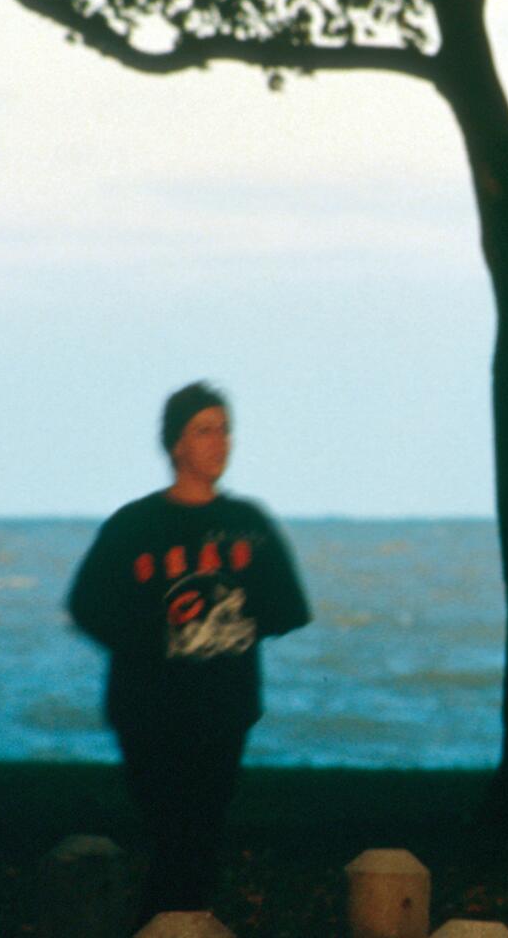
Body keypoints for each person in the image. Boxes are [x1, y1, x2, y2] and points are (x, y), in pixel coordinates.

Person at [67, 381, 310, 920]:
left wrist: (232, 624)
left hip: (224, 706)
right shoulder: (135, 527)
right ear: (176, 443)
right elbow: (87, 604)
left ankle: (175, 921)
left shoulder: (250, 525)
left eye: (225, 430)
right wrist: (145, 642)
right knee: (171, 831)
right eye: (205, 430)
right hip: (148, 707)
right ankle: (171, 921)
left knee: (199, 835)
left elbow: (290, 607)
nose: (219, 442)